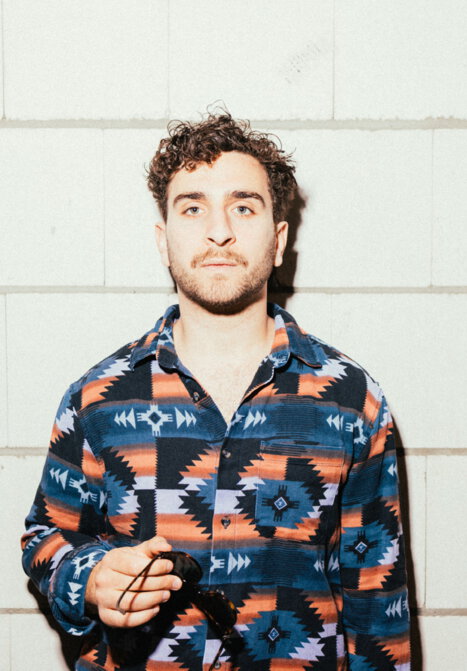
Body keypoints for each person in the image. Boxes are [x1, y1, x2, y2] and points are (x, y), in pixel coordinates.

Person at [21, 110, 411, 670]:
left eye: (243, 206)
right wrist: (88, 578)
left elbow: (379, 607)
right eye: (193, 207)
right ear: (164, 241)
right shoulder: (98, 398)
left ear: (279, 241)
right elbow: (46, 538)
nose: (219, 230)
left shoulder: (352, 401)